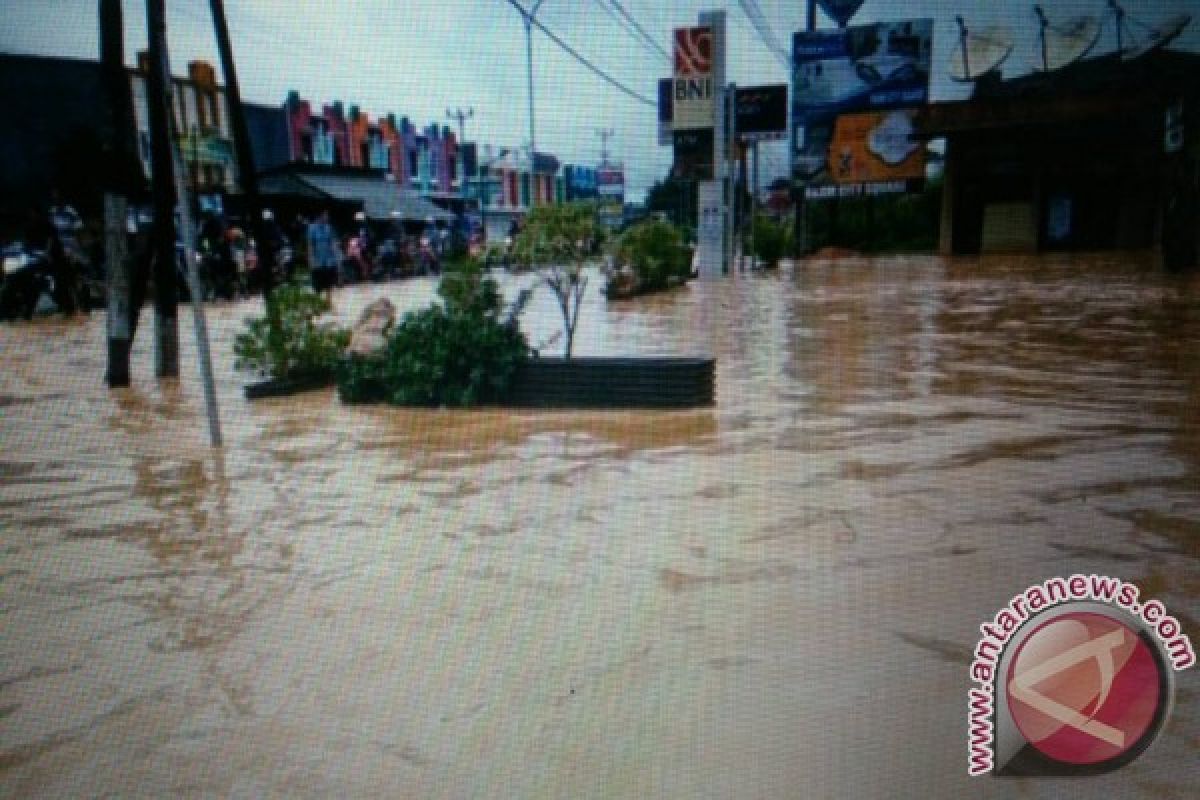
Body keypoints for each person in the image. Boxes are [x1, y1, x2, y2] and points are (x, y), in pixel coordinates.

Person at [306, 210, 339, 300]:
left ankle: (329, 303)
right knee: (317, 285)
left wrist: (335, 257)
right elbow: (310, 245)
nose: (327, 217)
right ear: (320, 216)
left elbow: (332, 243)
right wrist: (311, 259)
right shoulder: (312, 228)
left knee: (329, 284)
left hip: (328, 260)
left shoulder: (328, 228)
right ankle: (317, 304)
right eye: (325, 215)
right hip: (317, 261)